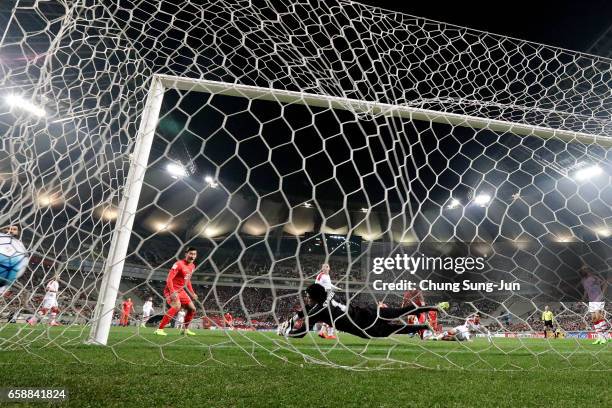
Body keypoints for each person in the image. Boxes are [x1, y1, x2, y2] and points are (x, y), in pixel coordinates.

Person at [278, 283, 448, 339]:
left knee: (397, 329)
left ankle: (424, 327)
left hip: (365, 328)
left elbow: (301, 333)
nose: (307, 299)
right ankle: (433, 308)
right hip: (369, 311)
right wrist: (294, 318)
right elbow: (307, 309)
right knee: (400, 311)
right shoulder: (329, 293)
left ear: (314, 296)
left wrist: (287, 332)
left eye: (308, 296)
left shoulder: (318, 311)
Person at [155, 247, 199, 336]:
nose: (192, 256)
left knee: (192, 309)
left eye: (194, 254)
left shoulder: (192, 266)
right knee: (177, 306)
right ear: (186, 254)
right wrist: (172, 291)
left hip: (181, 290)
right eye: (191, 254)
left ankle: (184, 330)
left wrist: (192, 293)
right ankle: (159, 329)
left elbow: (188, 280)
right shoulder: (178, 264)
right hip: (171, 289)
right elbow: (169, 279)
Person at [580, 266, 608, 345]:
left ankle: (605, 337)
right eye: (582, 269)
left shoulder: (594, 278)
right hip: (591, 301)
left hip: (598, 299)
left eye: (585, 269)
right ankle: (600, 337)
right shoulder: (583, 281)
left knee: (598, 317)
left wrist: (601, 295)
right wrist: (582, 299)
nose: (584, 270)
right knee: (594, 319)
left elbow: (605, 283)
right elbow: (586, 290)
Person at [315, 263, 339, 339]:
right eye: (323, 267)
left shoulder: (327, 276)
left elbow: (330, 284)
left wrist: (336, 288)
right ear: (322, 269)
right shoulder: (320, 275)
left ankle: (323, 332)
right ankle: (328, 333)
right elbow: (316, 285)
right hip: (324, 296)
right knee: (332, 314)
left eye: (326, 267)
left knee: (331, 315)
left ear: (329, 268)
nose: (325, 268)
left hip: (328, 295)